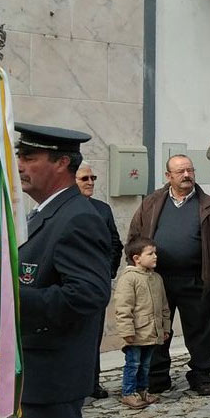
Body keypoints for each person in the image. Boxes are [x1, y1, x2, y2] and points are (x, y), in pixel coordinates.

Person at [14, 123, 115, 418]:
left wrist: (11, 302)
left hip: (53, 372)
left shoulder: (78, 216)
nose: (20, 165)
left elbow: (87, 295)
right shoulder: (48, 214)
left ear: (61, 163)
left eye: (30, 156)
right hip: (33, 371)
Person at [127, 154, 210, 396]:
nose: (187, 175)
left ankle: (201, 375)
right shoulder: (151, 203)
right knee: (157, 329)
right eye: (180, 172)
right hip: (158, 280)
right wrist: (137, 268)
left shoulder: (209, 205)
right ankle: (157, 376)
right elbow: (135, 236)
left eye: (190, 170)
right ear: (168, 176)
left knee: (201, 331)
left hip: (198, 280)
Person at [76, 163, 122, 400]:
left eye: (93, 177)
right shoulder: (65, 208)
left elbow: (116, 244)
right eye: (85, 178)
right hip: (70, 285)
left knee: (94, 336)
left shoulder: (102, 209)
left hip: (96, 284)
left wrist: (107, 272)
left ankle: (92, 382)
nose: (90, 182)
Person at [111, 238, 170, 409]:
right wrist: (127, 331)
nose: (155, 256)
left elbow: (164, 307)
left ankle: (143, 390)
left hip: (151, 332)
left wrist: (164, 328)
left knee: (145, 365)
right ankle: (128, 393)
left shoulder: (156, 278)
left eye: (155, 253)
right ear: (137, 258)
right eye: (150, 253)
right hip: (136, 333)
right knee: (133, 364)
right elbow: (123, 307)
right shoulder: (129, 279)